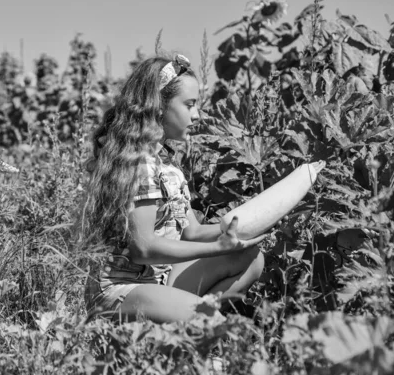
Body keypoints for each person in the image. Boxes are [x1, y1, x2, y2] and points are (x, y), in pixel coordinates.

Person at [81, 54, 266, 324]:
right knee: (209, 320)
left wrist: (249, 224)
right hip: (121, 290)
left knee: (250, 258)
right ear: (158, 107)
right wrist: (218, 247)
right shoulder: (138, 164)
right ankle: (188, 330)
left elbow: (192, 232)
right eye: (189, 105)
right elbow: (143, 249)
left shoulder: (167, 165)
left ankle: (178, 331)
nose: (196, 115)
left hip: (160, 279)